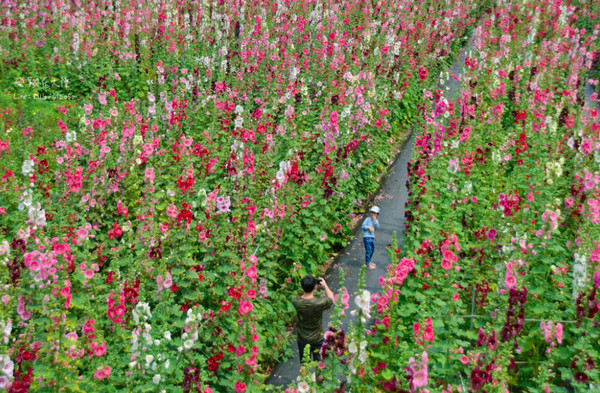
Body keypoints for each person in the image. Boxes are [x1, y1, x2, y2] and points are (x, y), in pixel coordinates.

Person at [291, 275, 334, 363]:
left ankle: (303, 377)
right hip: (317, 338)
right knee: (319, 364)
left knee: (304, 364)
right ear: (315, 286)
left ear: (302, 287)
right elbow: (331, 299)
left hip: (302, 338)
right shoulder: (318, 303)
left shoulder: (295, 302)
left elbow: (300, 298)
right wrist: (325, 286)